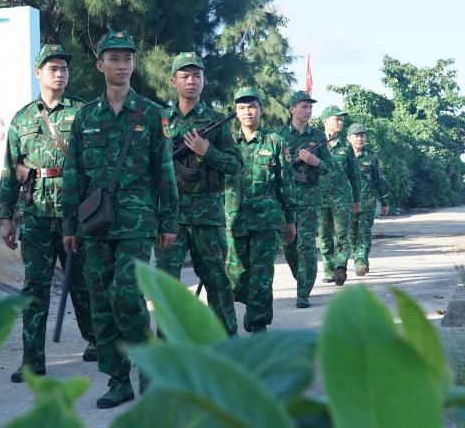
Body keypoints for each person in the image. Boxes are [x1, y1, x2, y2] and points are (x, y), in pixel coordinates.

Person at [60, 30, 179, 409]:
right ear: (100, 65)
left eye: (127, 58)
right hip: (95, 227)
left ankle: (149, 371)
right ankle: (118, 380)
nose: (122, 65)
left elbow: (165, 173)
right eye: (114, 58)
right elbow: (73, 175)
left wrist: (168, 222)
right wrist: (69, 227)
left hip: (137, 223)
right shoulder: (85, 117)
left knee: (126, 295)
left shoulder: (151, 114)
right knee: (101, 305)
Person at [0, 44, 96, 383]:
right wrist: (6, 217)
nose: (60, 73)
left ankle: (95, 339)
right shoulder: (22, 119)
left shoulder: (84, 113)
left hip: (76, 215)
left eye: (64, 68)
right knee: (35, 288)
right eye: (53, 67)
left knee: (83, 283)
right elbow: (10, 171)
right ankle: (32, 361)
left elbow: (98, 164)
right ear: (38, 73)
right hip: (36, 214)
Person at [155, 52, 243, 335]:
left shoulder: (216, 121)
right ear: (173, 81)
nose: (191, 81)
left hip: (208, 216)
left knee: (217, 282)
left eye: (196, 76)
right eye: (184, 76)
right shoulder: (161, 121)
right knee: (167, 286)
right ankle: (166, 351)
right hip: (171, 219)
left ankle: (227, 346)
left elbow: (236, 165)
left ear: (204, 80)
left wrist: (208, 152)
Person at [225, 86, 298, 334]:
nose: (247, 112)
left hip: (267, 221)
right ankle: (251, 304)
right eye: (242, 108)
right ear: (236, 112)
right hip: (233, 219)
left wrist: (290, 219)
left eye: (252, 107)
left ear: (261, 110)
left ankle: (258, 324)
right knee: (236, 276)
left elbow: (286, 183)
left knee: (262, 275)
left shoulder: (275, 143)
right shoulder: (226, 142)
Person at [274, 91, 330, 308]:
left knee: (306, 246)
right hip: (285, 200)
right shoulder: (278, 136)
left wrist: (316, 162)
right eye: (303, 107)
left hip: (309, 199)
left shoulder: (318, 137)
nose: (307, 111)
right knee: (288, 246)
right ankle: (303, 279)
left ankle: (303, 293)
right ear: (292, 109)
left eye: (310, 107)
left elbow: (330, 167)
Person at [317, 105, 360, 287]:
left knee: (342, 234)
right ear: (326, 121)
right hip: (320, 197)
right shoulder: (315, 143)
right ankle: (328, 269)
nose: (340, 122)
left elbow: (354, 175)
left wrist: (357, 199)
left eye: (342, 119)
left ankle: (340, 267)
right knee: (324, 236)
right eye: (337, 119)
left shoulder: (346, 147)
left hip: (342, 197)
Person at [344, 122, 391, 277]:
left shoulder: (372, 157)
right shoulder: (342, 156)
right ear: (348, 138)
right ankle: (357, 258)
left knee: (364, 233)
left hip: (367, 203)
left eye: (362, 135)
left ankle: (361, 261)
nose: (360, 138)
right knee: (351, 234)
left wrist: (384, 201)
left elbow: (380, 180)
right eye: (356, 135)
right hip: (347, 203)